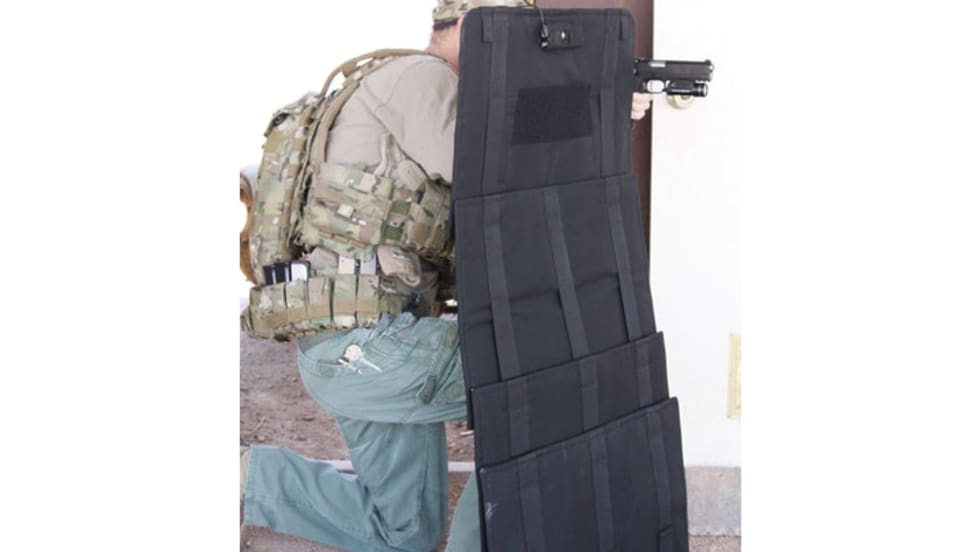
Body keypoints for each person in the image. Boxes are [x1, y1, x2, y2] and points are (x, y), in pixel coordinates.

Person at [241, 1, 656, 550]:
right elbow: (497, 173)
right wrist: (599, 112)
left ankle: (244, 479)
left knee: (403, 533)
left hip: (350, 343)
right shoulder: (423, 77)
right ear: (471, 26)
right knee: (547, 383)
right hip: (371, 346)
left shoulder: (407, 80)